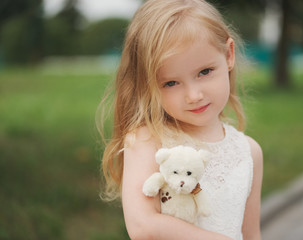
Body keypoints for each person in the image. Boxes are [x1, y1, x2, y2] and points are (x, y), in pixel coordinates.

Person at [98, 0, 263, 239]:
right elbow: (143, 226)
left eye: (204, 72)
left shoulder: (249, 152)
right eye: (171, 83)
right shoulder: (148, 141)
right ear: (149, 85)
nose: (194, 96)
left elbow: (251, 234)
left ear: (228, 54)